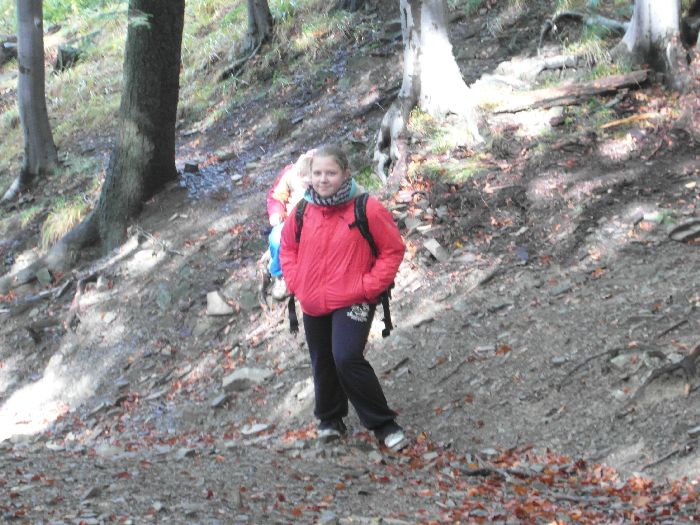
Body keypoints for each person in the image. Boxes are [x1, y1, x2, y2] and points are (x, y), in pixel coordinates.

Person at [279, 144, 408, 450]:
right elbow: (287, 248)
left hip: (354, 298)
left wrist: (368, 286)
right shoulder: (302, 210)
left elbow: (392, 250)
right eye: (318, 173)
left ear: (345, 173)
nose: (323, 179)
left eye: (331, 173)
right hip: (313, 299)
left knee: (346, 357)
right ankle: (330, 420)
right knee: (322, 360)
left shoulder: (367, 207)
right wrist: (297, 283)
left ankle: (384, 425)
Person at [264, 151, 313, 300]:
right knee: (276, 240)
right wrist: (275, 213)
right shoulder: (289, 176)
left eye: (309, 184)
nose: (306, 186)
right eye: (303, 183)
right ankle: (280, 275)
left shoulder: (323, 180)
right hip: (288, 221)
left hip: (314, 223)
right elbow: (276, 197)